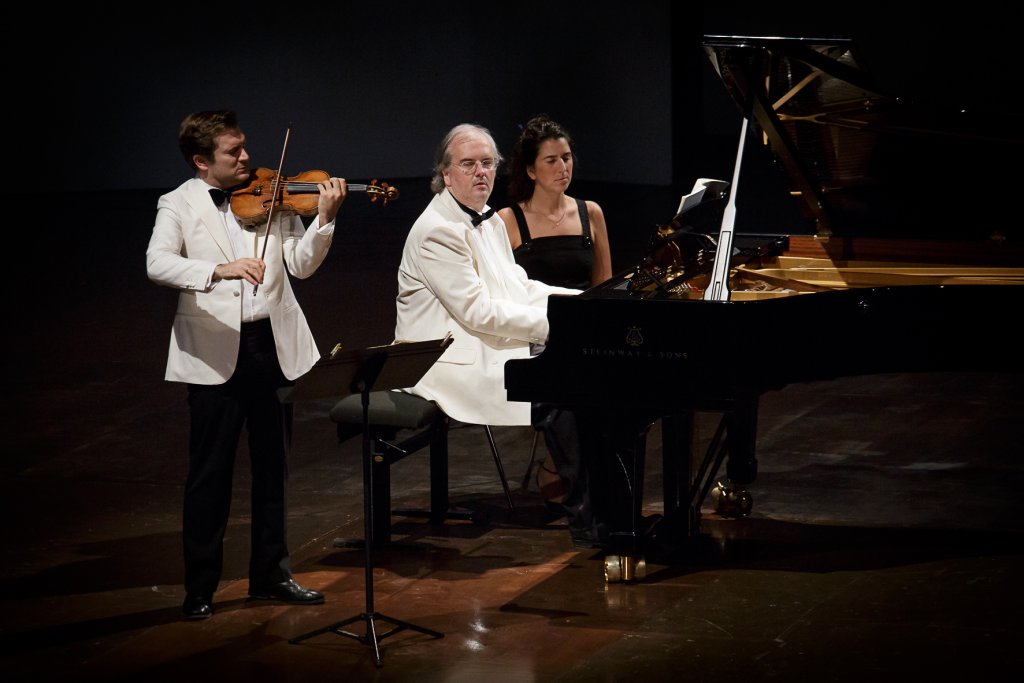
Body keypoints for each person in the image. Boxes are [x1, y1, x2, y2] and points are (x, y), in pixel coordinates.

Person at [146, 110, 347, 620]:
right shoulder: (177, 203)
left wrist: (324, 220)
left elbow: (301, 265)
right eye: (233, 153)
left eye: (244, 148)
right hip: (214, 353)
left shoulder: (273, 197)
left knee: (273, 468)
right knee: (209, 474)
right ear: (201, 161)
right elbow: (158, 262)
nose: (246, 159)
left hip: (271, 348)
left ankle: (271, 574)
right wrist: (219, 269)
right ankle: (200, 587)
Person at [394, 124, 607, 546]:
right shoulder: (437, 230)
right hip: (445, 360)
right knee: (561, 391)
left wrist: (585, 303)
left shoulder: (487, 218)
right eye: (468, 164)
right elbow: (477, 312)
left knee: (590, 375)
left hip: (482, 341)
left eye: (488, 163)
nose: (480, 173)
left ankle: (607, 507)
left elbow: (519, 286)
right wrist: (561, 324)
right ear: (446, 173)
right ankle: (591, 525)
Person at [497, 115, 612, 509]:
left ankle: (585, 475)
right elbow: (503, 294)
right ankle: (580, 483)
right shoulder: (508, 221)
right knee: (573, 383)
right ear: (530, 170)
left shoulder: (590, 213)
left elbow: (603, 284)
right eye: (551, 160)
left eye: (567, 157)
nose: (563, 167)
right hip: (536, 332)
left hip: (585, 326)